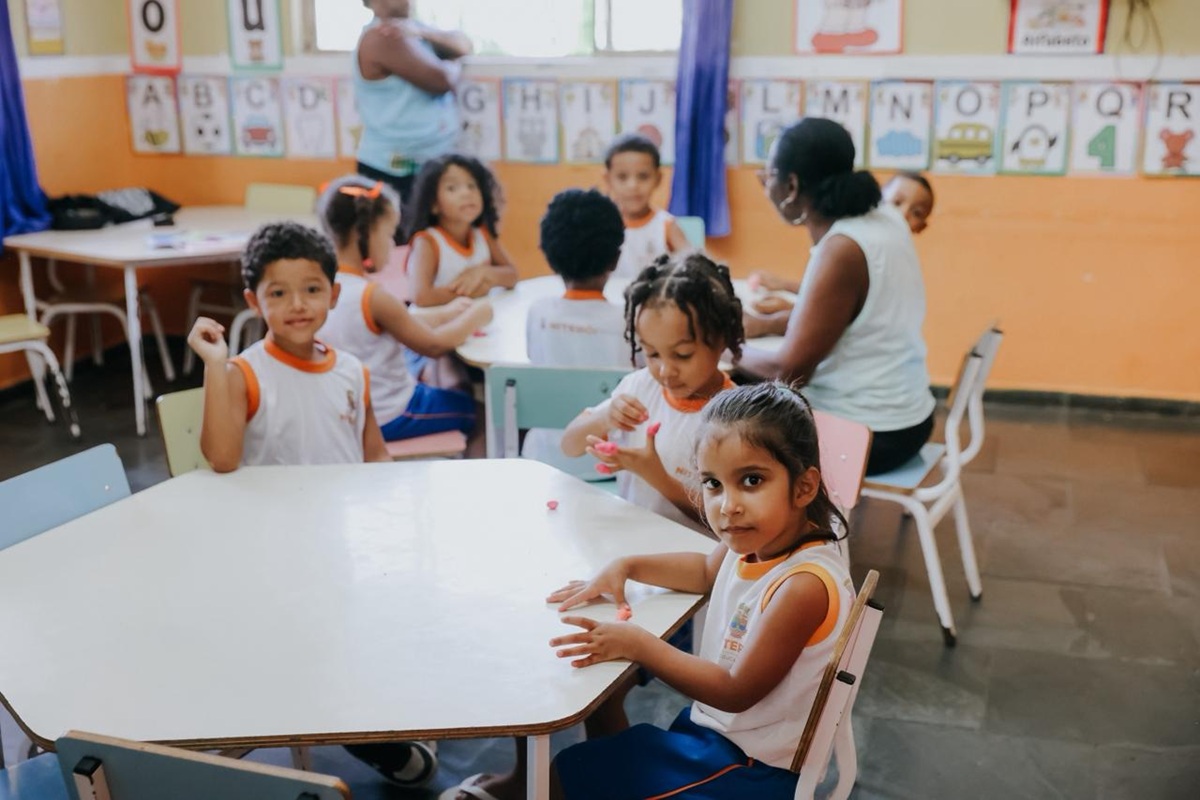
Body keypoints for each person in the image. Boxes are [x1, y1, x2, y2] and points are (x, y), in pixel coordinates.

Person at [546, 382, 855, 800]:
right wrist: (627, 566)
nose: (728, 506)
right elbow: (706, 571)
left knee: (564, 774)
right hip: (722, 739)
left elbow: (734, 691)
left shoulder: (803, 586)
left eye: (751, 480)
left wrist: (639, 644)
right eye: (713, 484)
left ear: (803, 487)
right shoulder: (758, 540)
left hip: (754, 769)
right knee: (593, 741)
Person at [738, 119, 936, 476]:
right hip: (909, 419)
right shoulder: (885, 218)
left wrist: (721, 345)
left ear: (791, 186)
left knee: (721, 397)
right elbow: (852, 317)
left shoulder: (842, 249)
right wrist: (765, 325)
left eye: (769, 176)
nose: (765, 185)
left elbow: (788, 372)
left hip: (869, 435)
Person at [561, 253, 744, 535]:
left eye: (682, 354)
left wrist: (655, 476)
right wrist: (605, 417)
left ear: (721, 340)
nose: (665, 370)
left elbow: (730, 520)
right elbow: (569, 445)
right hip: (633, 540)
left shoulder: (737, 419)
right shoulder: (639, 387)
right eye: (652, 353)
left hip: (696, 554)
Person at [187, 221, 391, 470]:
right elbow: (222, 459)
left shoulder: (353, 371)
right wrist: (215, 365)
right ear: (254, 302)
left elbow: (377, 458)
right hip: (276, 498)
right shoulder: (244, 375)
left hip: (346, 496)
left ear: (334, 295)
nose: (297, 305)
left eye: (312, 289)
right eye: (278, 293)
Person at [314, 176, 493, 447]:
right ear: (365, 232)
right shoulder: (372, 296)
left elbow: (399, 321)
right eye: (388, 235)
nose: (391, 246)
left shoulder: (325, 285)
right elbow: (433, 345)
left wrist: (447, 313)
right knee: (479, 409)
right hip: (391, 412)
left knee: (427, 369)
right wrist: (477, 315)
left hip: (346, 409)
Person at [523, 188, 630, 477]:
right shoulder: (629, 321)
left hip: (545, 464)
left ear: (549, 256)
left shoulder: (539, 314)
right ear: (615, 259)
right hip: (615, 466)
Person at [354, 0, 472, 240]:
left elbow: (464, 44)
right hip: (394, 170)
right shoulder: (382, 36)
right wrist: (452, 65)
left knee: (434, 247)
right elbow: (441, 81)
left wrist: (422, 32)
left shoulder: (411, 29)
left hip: (426, 164)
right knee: (404, 250)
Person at [747, 170, 935, 314]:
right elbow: (837, 294)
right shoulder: (864, 242)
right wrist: (783, 285)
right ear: (878, 200)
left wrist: (787, 310)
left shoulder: (893, 262)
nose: (902, 214)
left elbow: (847, 319)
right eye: (896, 202)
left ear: (921, 227)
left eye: (916, 213)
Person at [405, 153, 518, 307]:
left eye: (472, 186)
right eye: (452, 188)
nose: (466, 193)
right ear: (433, 204)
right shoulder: (427, 242)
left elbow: (512, 275)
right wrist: (470, 292)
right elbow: (420, 296)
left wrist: (485, 273)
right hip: (439, 320)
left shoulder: (481, 233)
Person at [604, 134, 691, 279]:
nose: (633, 186)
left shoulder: (667, 226)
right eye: (622, 177)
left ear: (658, 178)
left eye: (643, 176)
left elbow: (694, 263)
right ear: (608, 179)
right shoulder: (602, 225)